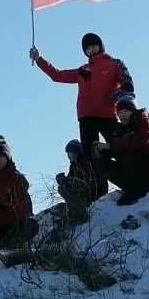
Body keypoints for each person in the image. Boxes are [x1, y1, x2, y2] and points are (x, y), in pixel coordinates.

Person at [30, 33, 131, 197]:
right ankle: (101, 195)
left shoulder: (114, 64)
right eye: (87, 47)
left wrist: (115, 96)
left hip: (108, 115)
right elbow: (57, 75)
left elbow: (128, 85)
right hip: (86, 118)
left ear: (101, 46)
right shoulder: (83, 70)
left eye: (93, 45)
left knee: (121, 149)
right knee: (92, 158)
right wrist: (39, 60)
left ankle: (132, 183)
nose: (91, 49)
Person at [95, 94, 149, 206]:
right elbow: (117, 148)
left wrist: (111, 145)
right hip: (134, 174)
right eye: (120, 112)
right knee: (103, 160)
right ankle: (130, 189)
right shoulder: (121, 129)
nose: (122, 115)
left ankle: (136, 191)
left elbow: (140, 140)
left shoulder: (144, 120)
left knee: (130, 152)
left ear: (133, 111)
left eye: (126, 111)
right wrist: (102, 150)